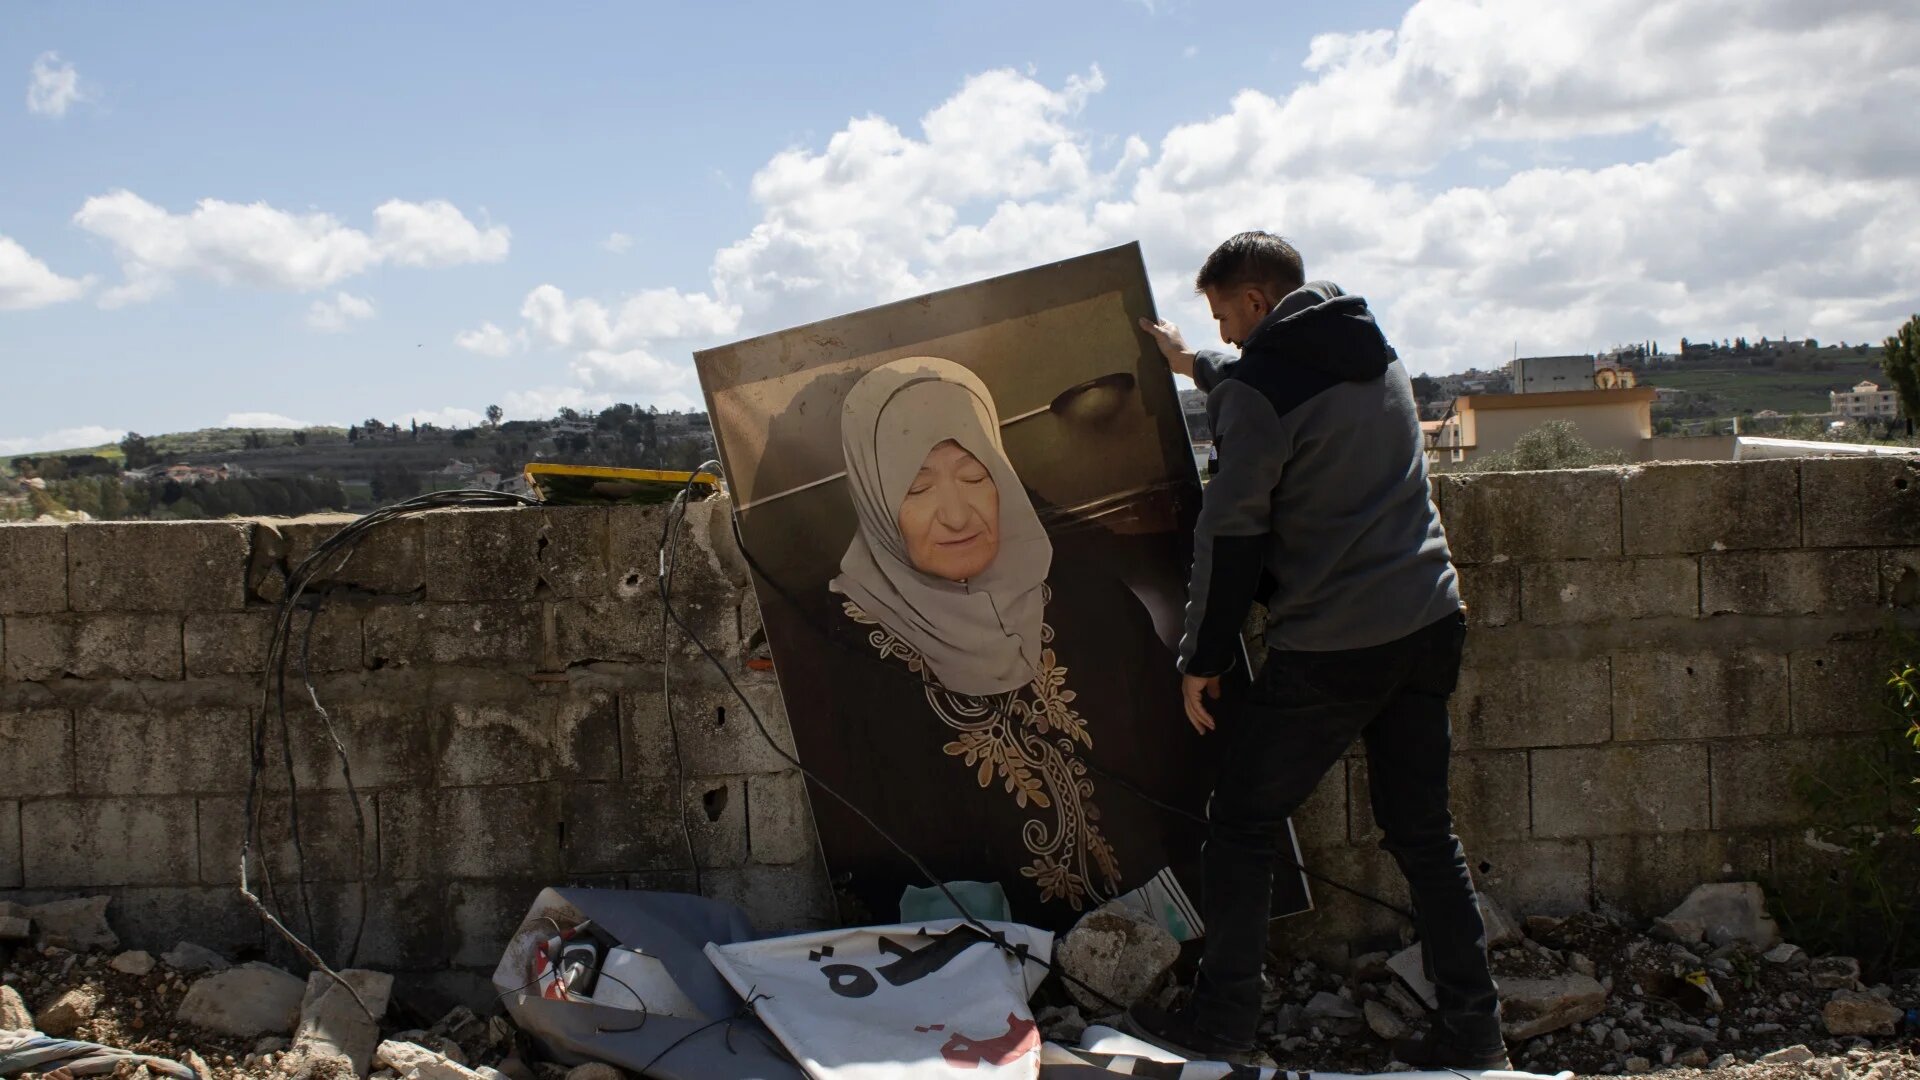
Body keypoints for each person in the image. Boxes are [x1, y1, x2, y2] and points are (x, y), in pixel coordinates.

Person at [1127, 232, 1507, 1068]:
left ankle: (1223, 1026)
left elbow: (1229, 538)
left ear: (1257, 303)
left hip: (1338, 643)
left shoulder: (1264, 389)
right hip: (1431, 620)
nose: (1224, 334)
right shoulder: (1376, 354)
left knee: (1242, 821)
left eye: (1225, 316)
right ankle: (1476, 1034)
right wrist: (1191, 362)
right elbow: (1261, 384)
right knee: (1423, 833)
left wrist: (1203, 657)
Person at [800, 356, 1209, 930]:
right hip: (986, 972)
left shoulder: (1087, 596)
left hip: (1161, 933)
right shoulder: (847, 645)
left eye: (975, 476)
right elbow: (871, 841)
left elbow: (1177, 759)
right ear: (873, 497)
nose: (957, 514)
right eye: (916, 487)